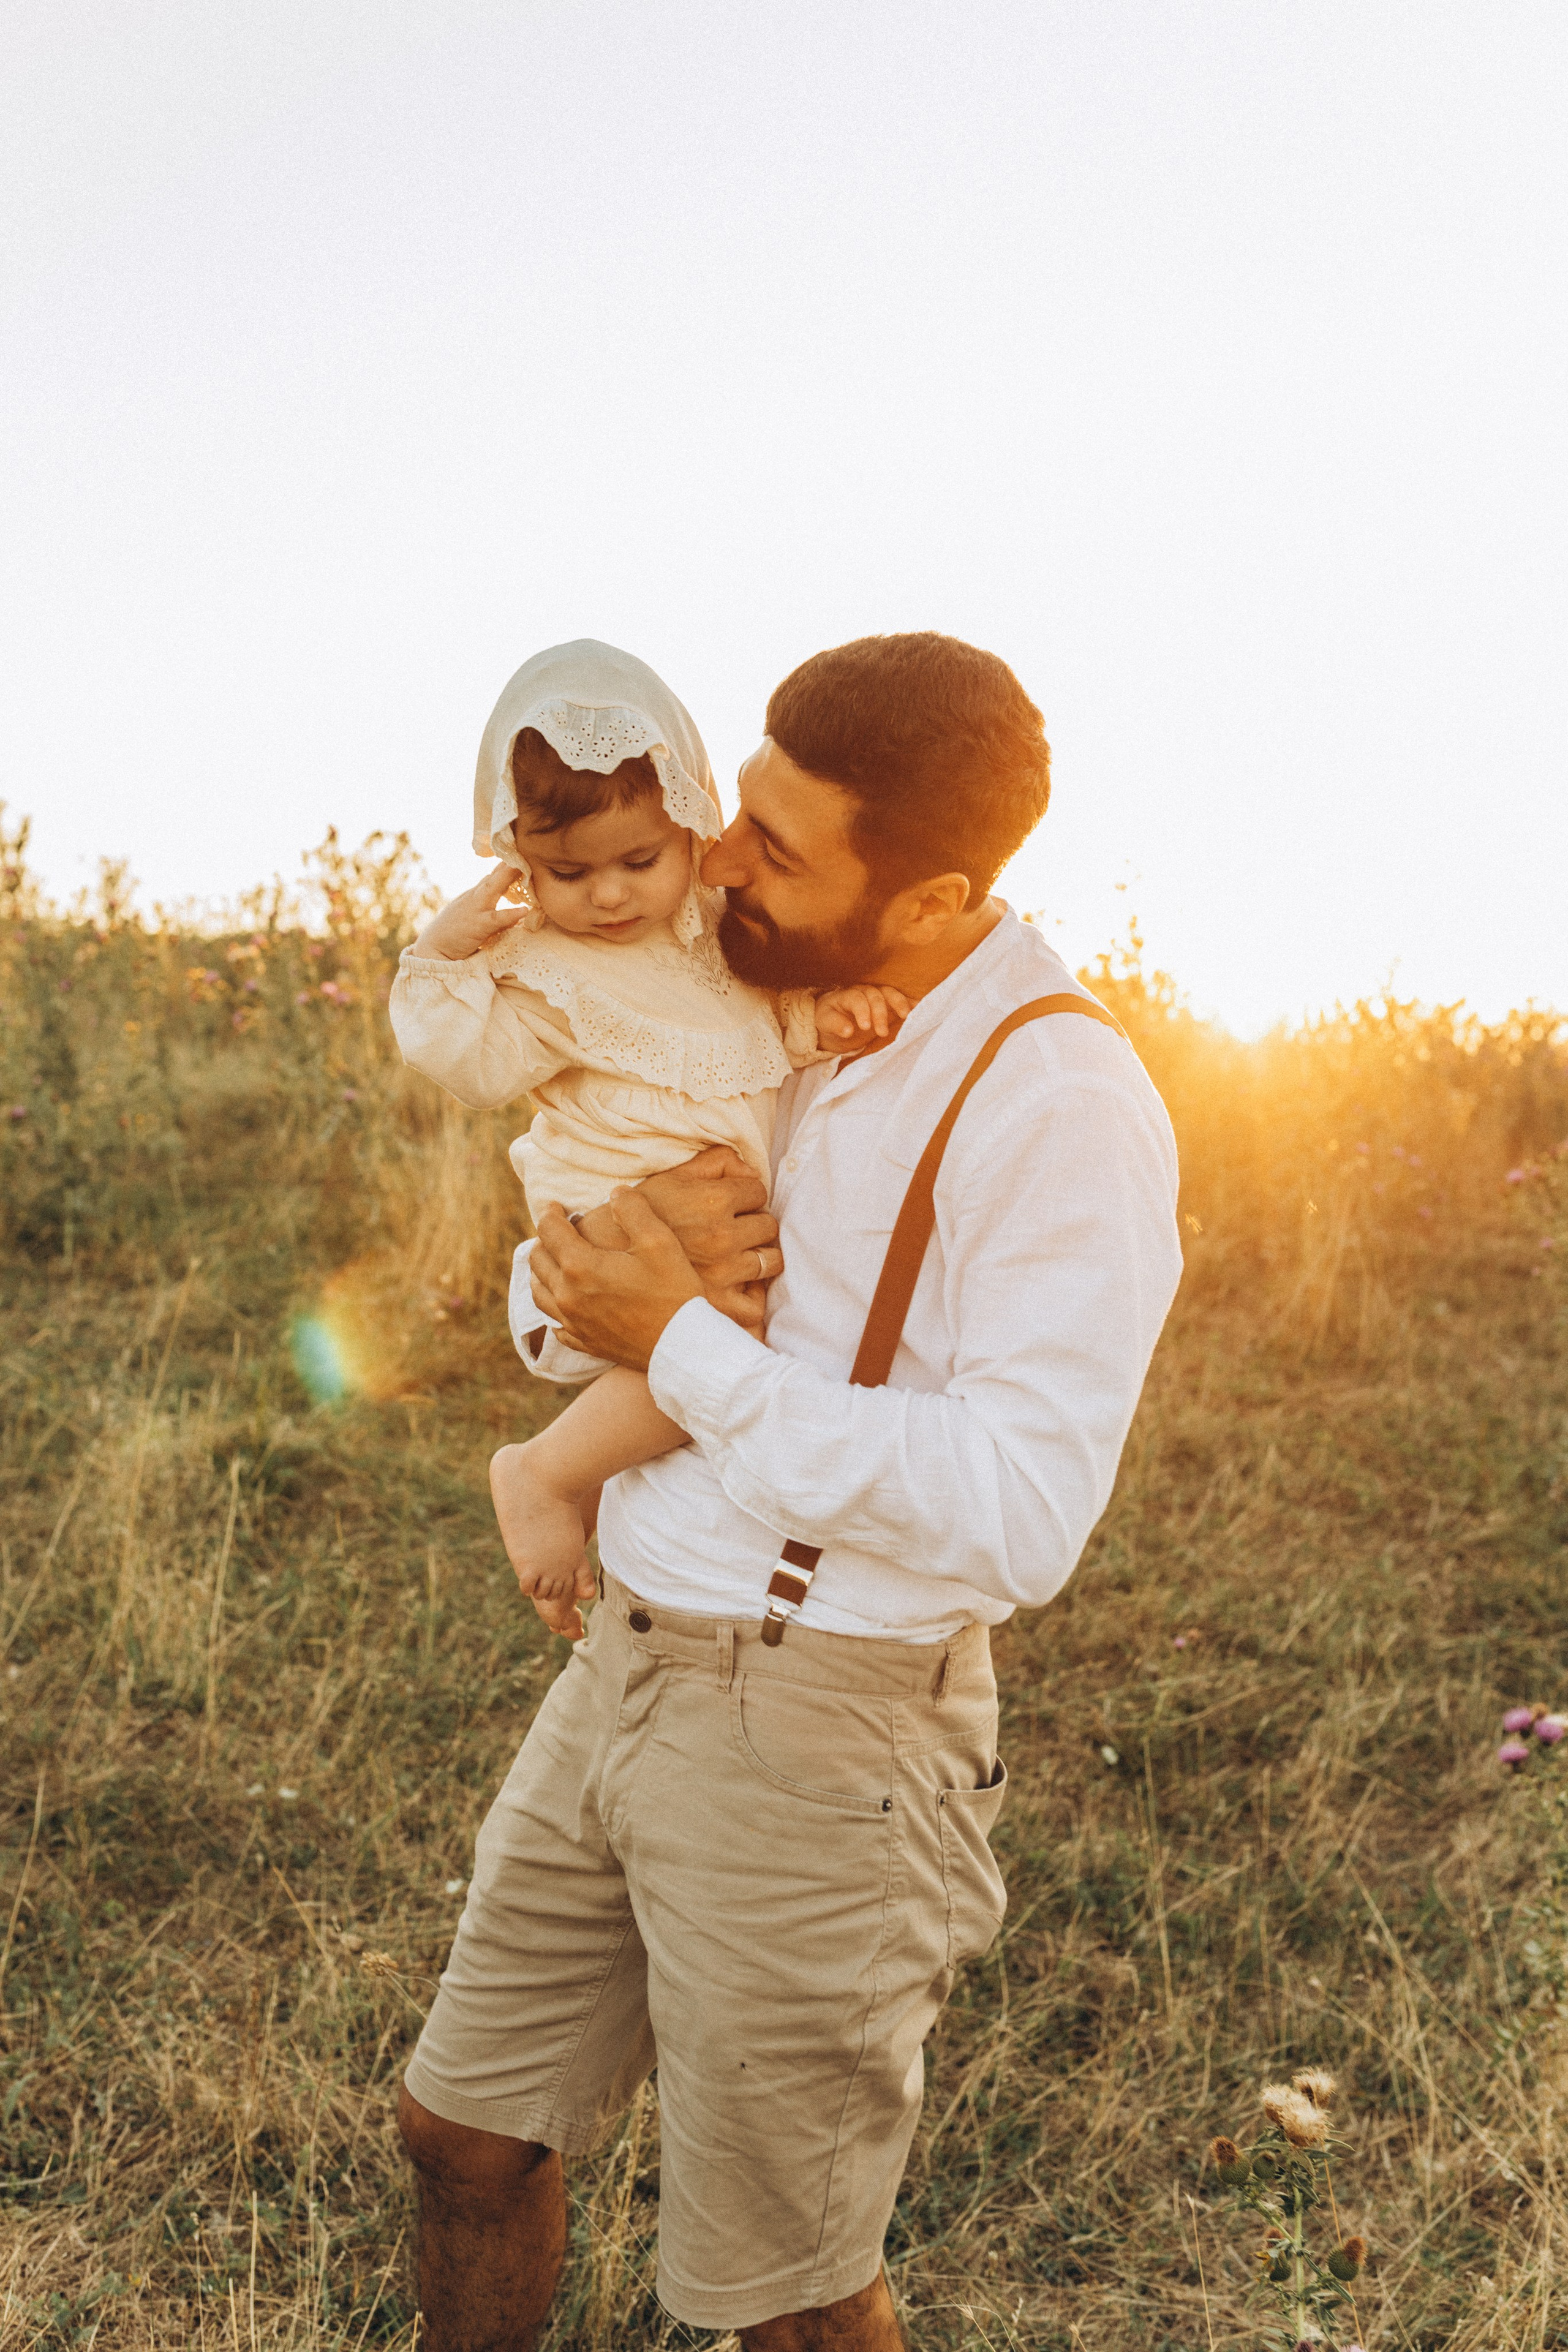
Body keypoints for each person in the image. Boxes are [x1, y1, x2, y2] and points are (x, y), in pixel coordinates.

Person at [396, 631, 1183, 2351]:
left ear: (935, 894)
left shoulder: (1056, 1098)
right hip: (629, 1653)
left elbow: (1018, 1514)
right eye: (739, 811)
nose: (724, 862)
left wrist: (672, 1349)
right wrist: (573, 1307)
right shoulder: (775, 984)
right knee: (464, 2131)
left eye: (779, 845)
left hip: (819, 1722)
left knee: (781, 2299)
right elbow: (592, 1277)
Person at [390, 640, 907, 1608]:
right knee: (720, 1329)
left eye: (640, 859)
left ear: (691, 820)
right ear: (518, 864)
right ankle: (546, 1471)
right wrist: (440, 961)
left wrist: (822, 1021)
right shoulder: (545, 966)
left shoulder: (711, 929)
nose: (611, 893)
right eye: (567, 872)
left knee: (717, 1337)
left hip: (701, 1207)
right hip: (613, 1201)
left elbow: (748, 1031)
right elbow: (469, 1065)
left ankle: (590, 1479)